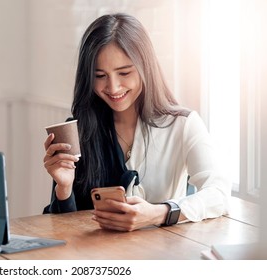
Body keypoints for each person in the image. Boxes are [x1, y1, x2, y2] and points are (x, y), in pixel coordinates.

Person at [43, 13, 231, 231]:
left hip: (161, 254)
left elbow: (218, 194)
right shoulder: (80, 129)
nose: (113, 88)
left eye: (124, 72)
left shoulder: (182, 125)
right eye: (100, 75)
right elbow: (62, 230)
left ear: (145, 67)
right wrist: (63, 187)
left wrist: (160, 212)